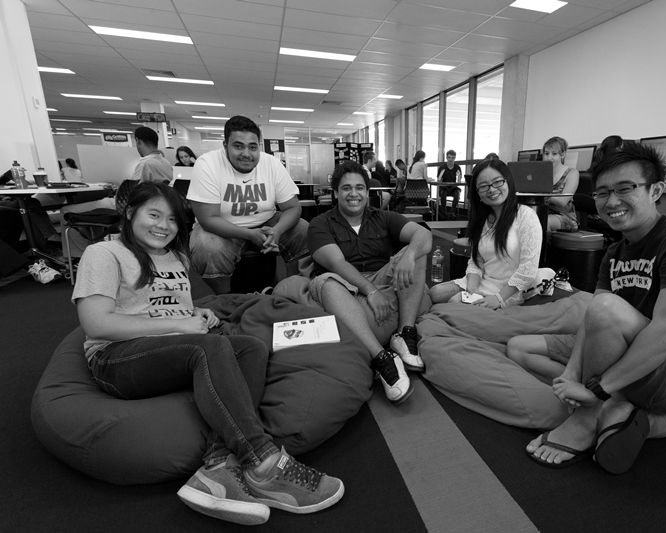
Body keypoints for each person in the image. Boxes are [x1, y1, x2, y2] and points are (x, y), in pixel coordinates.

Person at [71, 182, 344, 524]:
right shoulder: (105, 253)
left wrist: (194, 316)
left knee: (251, 348)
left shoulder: (175, 256)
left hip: (169, 350)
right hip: (116, 357)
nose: (163, 226)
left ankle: (218, 467)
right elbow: (95, 323)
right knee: (211, 347)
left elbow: (171, 311)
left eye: (172, 220)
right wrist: (183, 328)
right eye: (153, 215)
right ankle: (263, 461)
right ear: (129, 213)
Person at [524, 142, 666, 474]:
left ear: (656, 190)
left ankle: (590, 415)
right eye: (603, 192)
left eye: (625, 189)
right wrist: (571, 374)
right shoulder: (615, 253)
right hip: (626, 348)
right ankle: (621, 410)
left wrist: (596, 389)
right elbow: (593, 319)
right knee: (521, 348)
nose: (611, 201)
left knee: (606, 306)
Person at [307, 160, 432, 403]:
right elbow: (337, 264)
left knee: (416, 251)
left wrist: (410, 254)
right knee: (327, 283)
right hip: (343, 285)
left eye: (359, 188)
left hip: (381, 278)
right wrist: (371, 292)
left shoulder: (382, 217)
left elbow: (424, 235)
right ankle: (382, 358)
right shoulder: (319, 224)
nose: (354, 194)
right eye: (346, 188)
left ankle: (405, 333)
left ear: (367, 191)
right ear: (335, 192)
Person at [187, 115, 310, 294]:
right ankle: (224, 299)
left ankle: (293, 289)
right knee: (207, 245)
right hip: (223, 229)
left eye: (252, 147)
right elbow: (208, 219)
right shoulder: (207, 164)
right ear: (225, 145)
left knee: (302, 229)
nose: (246, 153)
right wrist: (250, 235)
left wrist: (277, 231)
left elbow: (293, 208)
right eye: (238, 146)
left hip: (267, 223)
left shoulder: (271, 164)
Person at [429, 158, 542, 309]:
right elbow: (476, 261)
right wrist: (472, 288)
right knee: (434, 293)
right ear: (477, 194)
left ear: (508, 181)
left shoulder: (526, 216)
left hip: (507, 288)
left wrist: (498, 299)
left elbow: (528, 270)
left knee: (454, 303)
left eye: (497, 182)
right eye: (484, 186)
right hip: (483, 281)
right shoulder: (483, 219)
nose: (492, 189)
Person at [542, 136, 579, 232]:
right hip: (544, 213)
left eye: (554, 154)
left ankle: (546, 247)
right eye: (546, 153)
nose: (549, 157)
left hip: (565, 218)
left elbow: (563, 202)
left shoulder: (572, 173)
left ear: (562, 155)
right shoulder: (541, 173)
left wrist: (540, 194)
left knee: (544, 222)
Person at [436, 149, 463, 217]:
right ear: (446, 158)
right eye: (449, 157)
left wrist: (459, 176)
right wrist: (440, 177)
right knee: (443, 193)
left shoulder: (457, 167)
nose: (451, 159)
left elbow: (459, 182)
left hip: (453, 188)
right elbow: (438, 181)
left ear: (455, 158)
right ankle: (444, 211)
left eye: (452, 158)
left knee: (457, 193)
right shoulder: (442, 167)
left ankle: (452, 212)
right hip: (444, 187)